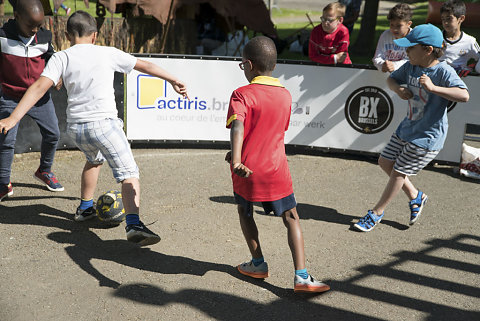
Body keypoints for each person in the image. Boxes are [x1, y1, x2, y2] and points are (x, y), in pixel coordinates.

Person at [0, 11, 188, 246]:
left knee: (94, 160)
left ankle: (85, 209)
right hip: (104, 125)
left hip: (77, 129)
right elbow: (145, 65)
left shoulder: (61, 58)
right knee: (129, 173)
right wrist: (172, 79)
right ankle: (134, 224)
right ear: (95, 35)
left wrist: (13, 119)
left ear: (67, 35)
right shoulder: (106, 52)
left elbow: (38, 87)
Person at [225, 36, 330, 293]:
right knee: (291, 217)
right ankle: (302, 276)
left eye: (242, 65)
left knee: (245, 212)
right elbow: (270, 134)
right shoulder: (285, 95)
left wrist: (236, 157)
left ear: (248, 65)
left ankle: (258, 264)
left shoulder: (242, 93)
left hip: (247, 169)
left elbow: (239, 125)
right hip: (276, 169)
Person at [354, 24, 469, 232]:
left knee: (398, 172)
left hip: (427, 138)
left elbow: (464, 95)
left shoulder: (443, 71)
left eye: (410, 48)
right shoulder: (410, 66)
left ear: (428, 50)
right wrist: (398, 89)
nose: (405, 52)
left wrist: (434, 88)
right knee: (384, 161)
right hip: (406, 128)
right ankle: (416, 196)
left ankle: (377, 212)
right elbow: (391, 79)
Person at [0, 0, 64, 201]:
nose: (35, 30)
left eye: (39, 25)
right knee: (6, 141)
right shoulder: (2, 36)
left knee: (53, 134)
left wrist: (58, 77)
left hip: (39, 98)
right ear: (17, 16)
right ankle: (3, 183)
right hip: (9, 97)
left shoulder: (44, 36)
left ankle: (44, 170)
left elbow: (52, 58)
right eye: (31, 26)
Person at [439, 0, 480, 77]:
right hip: (436, 80)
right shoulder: (436, 37)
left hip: (459, 82)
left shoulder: (470, 41)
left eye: (449, 18)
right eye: (443, 19)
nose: (445, 22)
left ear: (461, 18)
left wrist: (472, 66)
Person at [372, 3, 413, 73]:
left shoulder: (414, 38)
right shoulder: (385, 35)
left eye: (399, 26)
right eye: (392, 25)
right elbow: (377, 58)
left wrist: (394, 65)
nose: (394, 29)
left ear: (408, 24)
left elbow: (413, 61)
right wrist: (382, 65)